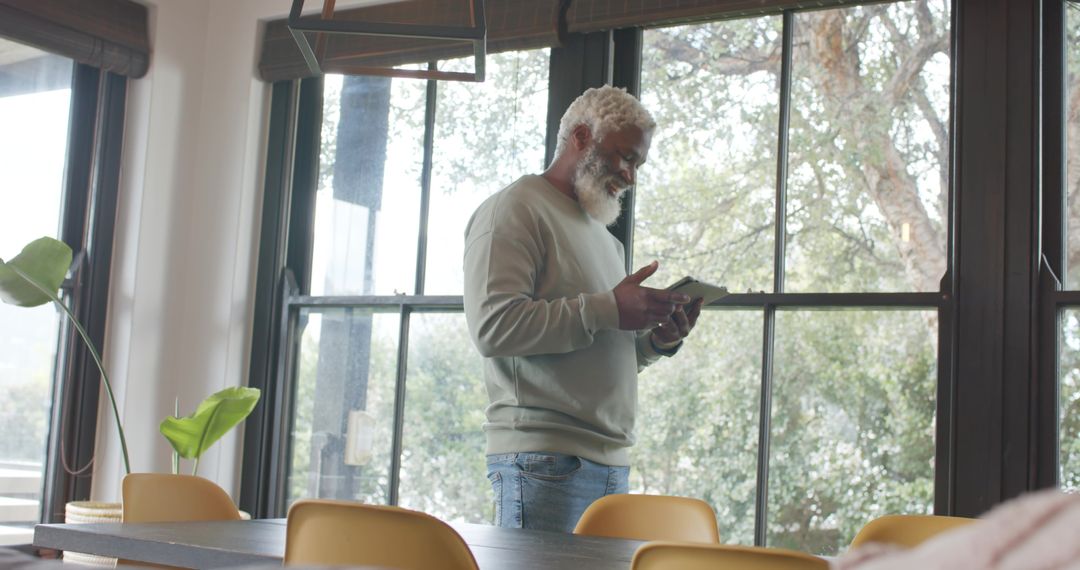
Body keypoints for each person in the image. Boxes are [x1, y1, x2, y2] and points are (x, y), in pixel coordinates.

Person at [463, 85, 704, 533]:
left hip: (610, 465)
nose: (630, 176)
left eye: (638, 164)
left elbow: (597, 344)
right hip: (544, 462)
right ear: (580, 136)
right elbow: (493, 328)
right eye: (625, 157)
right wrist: (608, 307)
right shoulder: (515, 208)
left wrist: (656, 342)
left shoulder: (606, 240)